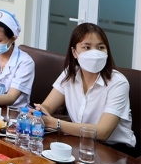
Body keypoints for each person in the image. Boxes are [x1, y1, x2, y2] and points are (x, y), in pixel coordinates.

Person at [35, 23, 136, 156]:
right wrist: (40, 113)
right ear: (74, 52)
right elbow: (47, 106)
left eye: (100, 48)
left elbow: (103, 132)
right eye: (87, 47)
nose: (95, 53)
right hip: (81, 143)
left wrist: (56, 123)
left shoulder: (118, 82)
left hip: (115, 152)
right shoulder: (69, 74)